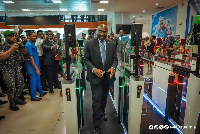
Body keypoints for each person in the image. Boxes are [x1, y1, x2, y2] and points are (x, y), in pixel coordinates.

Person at [84, 24, 118, 134]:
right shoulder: (89, 43)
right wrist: (94, 69)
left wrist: (113, 68)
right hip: (95, 77)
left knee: (104, 97)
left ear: (107, 32)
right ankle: (96, 124)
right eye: (100, 31)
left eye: (104, 31)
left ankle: (102, 112)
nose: (102, 34)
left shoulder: (112, 44)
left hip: (107, 77)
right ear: (96, 31)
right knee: (97, 100)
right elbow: (86, 60)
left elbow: (115, 59)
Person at [0, 30, 26, 111]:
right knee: (11, 87)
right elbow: (2, 58)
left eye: (13, 36)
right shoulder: (2, 46)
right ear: (5, 37)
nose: (13, 38)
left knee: (21, 85)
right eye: (10, 36)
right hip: (7, 69)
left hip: (17, 67)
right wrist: (11, 49)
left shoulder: (17, 44)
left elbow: (25, 53)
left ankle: (16, 99)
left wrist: (22, 49)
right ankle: (12, 104)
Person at [25, 31, 47, 101]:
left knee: (38, 79)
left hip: (36, 64)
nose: (34, 37)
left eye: (35, 36)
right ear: (28, 36)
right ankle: (33, 97)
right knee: (33, 81)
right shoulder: (28, 45)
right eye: (33, 36)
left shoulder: (32, 44)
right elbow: (30, 58)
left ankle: (41, 92)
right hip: (32, 66)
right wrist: (36, 68)